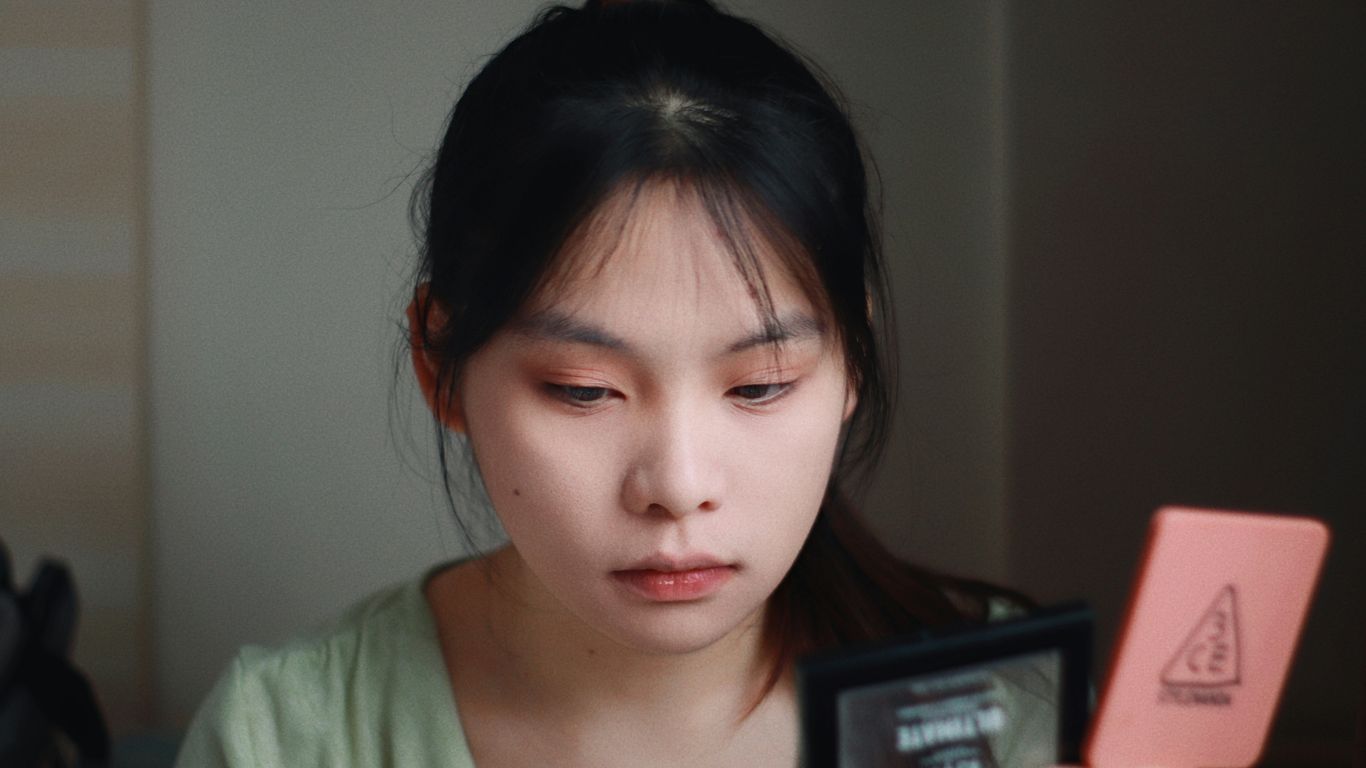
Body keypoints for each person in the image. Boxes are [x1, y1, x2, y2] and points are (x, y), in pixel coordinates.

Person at [174, 1, 1026, 765]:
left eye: (760, 386)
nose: (678, 487)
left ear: (852, 367)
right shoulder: (284, 739)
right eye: (584, 389)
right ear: (440, 365)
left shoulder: (1015, 709)